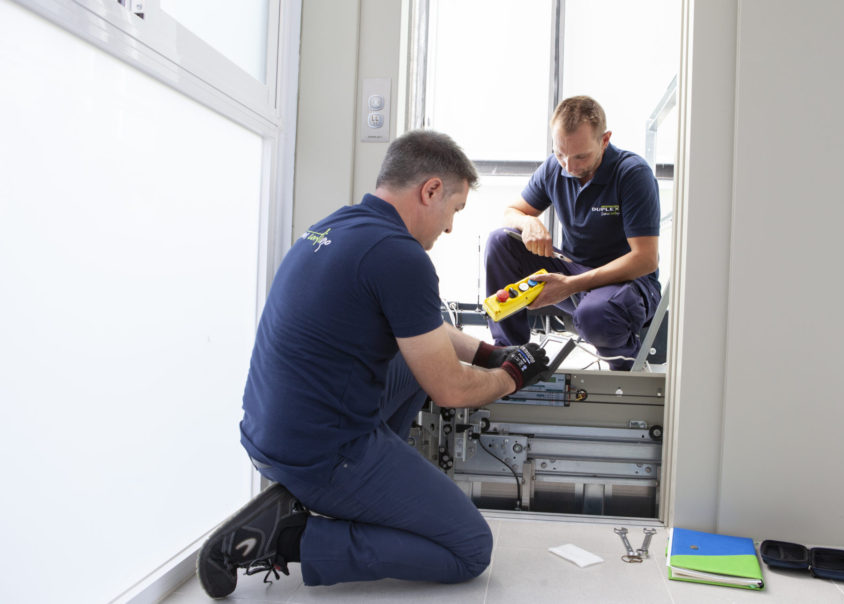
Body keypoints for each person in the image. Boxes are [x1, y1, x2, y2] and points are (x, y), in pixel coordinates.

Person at [197, 130, 551, 598]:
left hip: (270, 431)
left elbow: (420, 331)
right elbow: (450, 389)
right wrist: (511, 376)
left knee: (412, 369)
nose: (448, 228)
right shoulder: (400, 256)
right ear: (429, 191)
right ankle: (289, 538)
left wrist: (489, 355)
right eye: (454, 209)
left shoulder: (336, 227)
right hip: (319, 451)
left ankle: (368, 485)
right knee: (470, 548)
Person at [484, 95, 662, 370]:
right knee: (501, 239)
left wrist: (571, 286)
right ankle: (509, 356)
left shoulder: (632, 173)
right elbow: (511, 211)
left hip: (628, 284)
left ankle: (626, 368)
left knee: (595, 314)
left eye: (581, 156)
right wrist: (528, 223)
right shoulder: (555, 168)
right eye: (560, 153)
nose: (570, 166)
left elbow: (646, 259)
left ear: (604, 140)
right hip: (573, 271)